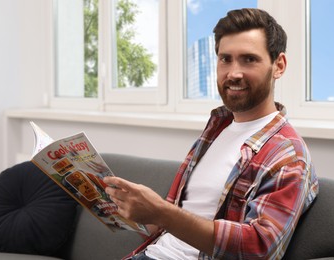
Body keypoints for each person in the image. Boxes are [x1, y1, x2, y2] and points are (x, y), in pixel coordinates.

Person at [104, 8, 319, 260]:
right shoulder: (217, 128)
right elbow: (179, 220)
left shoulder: (288, 154)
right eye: (225, 59)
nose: (233, 73)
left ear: (278, 65)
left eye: (249, 59)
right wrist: (137, 211)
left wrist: (162, 212)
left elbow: (259, 249)